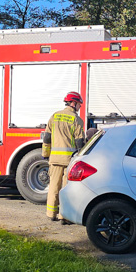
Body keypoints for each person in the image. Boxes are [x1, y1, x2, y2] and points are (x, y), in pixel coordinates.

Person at [42, 91, 86, 222]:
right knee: (66, 189)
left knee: (54, 186)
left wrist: (45, 154)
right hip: (69, 161)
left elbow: (47, 137)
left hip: (54, 159)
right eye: (79, 104)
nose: (80, 107)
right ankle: (63, 216)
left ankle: (50, 214)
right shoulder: (77, 120)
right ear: (73, 103)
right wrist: (82, 158)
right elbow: (80, 142)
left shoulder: (54, 116)